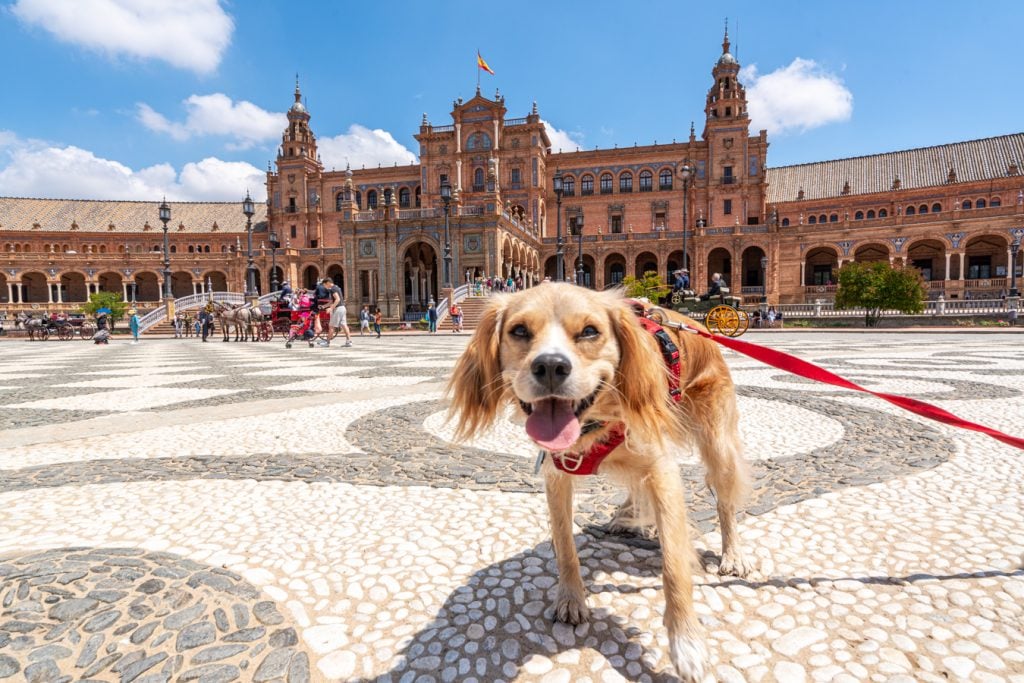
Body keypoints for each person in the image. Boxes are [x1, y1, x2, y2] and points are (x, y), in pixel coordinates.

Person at [324, 278, 352, 347]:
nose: (325, 286)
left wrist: (331, 308)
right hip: (342, 308)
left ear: (328, 282)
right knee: (344, 325)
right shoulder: (337, 287)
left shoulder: (332, 289)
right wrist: (324, 306)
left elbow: (337, 299)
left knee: (331, 326)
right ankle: (349, 341)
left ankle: (327, 342)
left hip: (338, 309)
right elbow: (332, 301)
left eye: (325, 285)